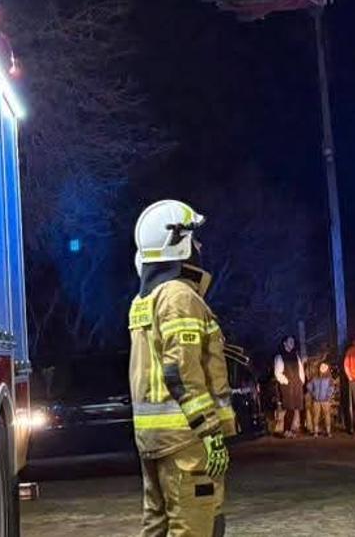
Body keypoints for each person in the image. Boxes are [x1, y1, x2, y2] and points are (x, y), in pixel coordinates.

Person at [129, 200, 236, 537]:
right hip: (186, 440)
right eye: (194, 238)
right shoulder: (179, 297)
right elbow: (181, 371)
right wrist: (211, 433)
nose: (200, 246)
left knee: (158, 527)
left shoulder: (145, 300)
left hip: (155, 439)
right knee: (194, 527)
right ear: (178, 242)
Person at [271, 335, 305, 438]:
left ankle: (290, 429)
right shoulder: (280, 356)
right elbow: (278, 373)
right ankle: (286, 430)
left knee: (295, 408)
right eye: (290, 341)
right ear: (285, 343)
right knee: (289, 408)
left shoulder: (295, 355)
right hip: (288, 385)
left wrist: (301, 381)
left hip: (297, 384)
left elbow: (300, 369)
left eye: (293, 341)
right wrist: (286, 381)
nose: (292, 343)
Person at [307, 361, 339, 437]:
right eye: (322, 366)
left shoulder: (329, 378)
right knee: (316, 416)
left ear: (327, 368)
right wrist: (313, 394)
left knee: (327, 415)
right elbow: (309, 386)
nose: (323, 368)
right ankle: (316, 431)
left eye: (325, 367)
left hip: (326, 401)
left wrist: (328, 396)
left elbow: (331, 388)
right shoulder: (315, 377)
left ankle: (328, 431)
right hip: (316, 401)